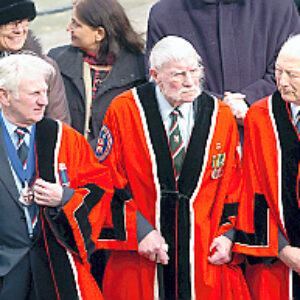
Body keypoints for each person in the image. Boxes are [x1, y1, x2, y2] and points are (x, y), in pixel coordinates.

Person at [95, 36, 250, 300]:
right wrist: (140, 231)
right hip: (142, 258)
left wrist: (229, 235)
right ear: (155, 75)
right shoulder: (124, 111)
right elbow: (103, 180)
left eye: (195, 70)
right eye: (179, 74)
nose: (191, 81)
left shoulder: (220, 116)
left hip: (204, 259)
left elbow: (236, 185)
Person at [0, 53, 114, 299]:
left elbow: (101, 188)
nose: (44, 102)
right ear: (4, 96)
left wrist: (66, 197)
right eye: (34, 94)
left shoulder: (63, 137)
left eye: (45, 93)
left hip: (56, 268)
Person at [146, 0, 300, 131]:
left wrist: (248, 100)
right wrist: (220, 106)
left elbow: (293, 69)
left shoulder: (279, 6)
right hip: (199, 136)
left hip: (272, 134)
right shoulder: (165, 14)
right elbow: (161, 80)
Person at [234, 34, 300, 300]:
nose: (281, 82)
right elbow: (251, 191)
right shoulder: (261, 117)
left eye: (292, 74)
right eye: (278, 72)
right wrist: (283, 250)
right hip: (277, 263)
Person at [48, 0, 146, 146]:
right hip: (70, 157)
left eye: (76, 24)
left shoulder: (139, 69)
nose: (69, 28)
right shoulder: (57, 61)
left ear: (99, 33)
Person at [0, 0, 70, 124]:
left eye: (24, 22)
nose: (20, 30)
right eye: (11, 23)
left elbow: (59, 126)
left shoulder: (45, 68)